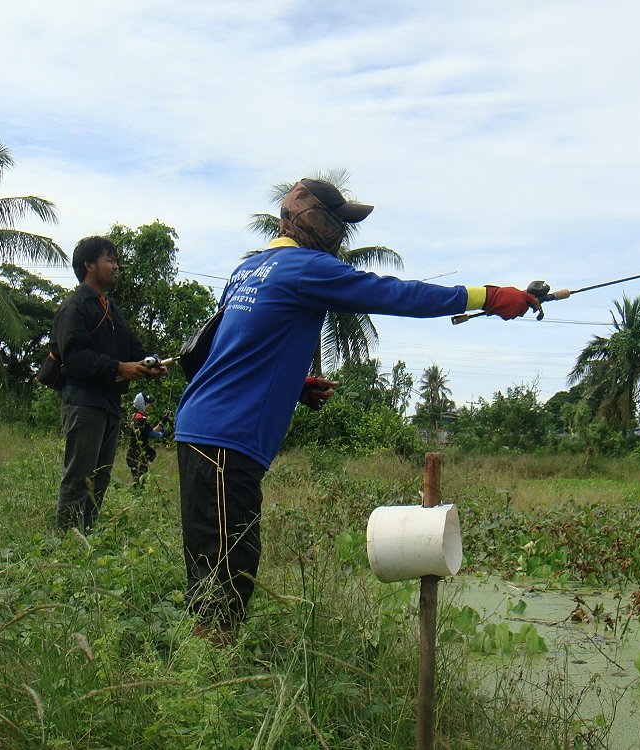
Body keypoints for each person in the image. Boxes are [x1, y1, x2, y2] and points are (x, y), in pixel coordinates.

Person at [172, 178, 541, 640]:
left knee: (215, 560)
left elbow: (233, 346)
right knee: (226, 575)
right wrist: (488, 296)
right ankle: (207, 681)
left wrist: (295, 384)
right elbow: (395, 294)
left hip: (205, 429)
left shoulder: (251, 269)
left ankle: (206, 663)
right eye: (339, 223)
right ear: (313, 221)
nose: (343, 236)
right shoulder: (305, 268)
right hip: (224, 439)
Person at [51, 235, 168, 533]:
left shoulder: (111, 309)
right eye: (109, 260)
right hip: (83, 401)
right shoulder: (74, 307)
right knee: (79, 475)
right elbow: (74, 357)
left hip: (109, 403)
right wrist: (119, 367)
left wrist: (150, 365)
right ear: (89, 265)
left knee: (100, 477)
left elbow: (133, 350)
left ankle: (85, 535)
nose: (116, 266)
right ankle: (66, 540)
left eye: (115, 260)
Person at [126, 393, 168, 486]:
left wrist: (163, 422)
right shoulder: (140, 419)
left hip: (135, 454)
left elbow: (149, 431)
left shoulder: (136, 416)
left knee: (138, 481)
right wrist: (163, 434)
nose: (150, 406)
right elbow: (152, 435)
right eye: (148, 404)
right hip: (138, 455)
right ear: (143, 404)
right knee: (140, 483)